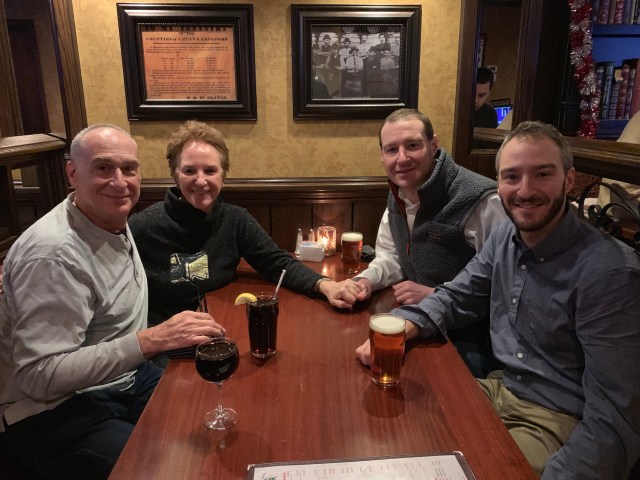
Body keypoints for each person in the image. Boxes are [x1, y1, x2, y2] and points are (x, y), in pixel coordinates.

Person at [356, 121, 640, 478]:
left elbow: (615, 416)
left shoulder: (610, 273)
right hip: (500, 386)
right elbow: (458, 294)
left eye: (542, 174)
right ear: (499, 183)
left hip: (557, 413)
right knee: (401, 429)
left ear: (569, 180)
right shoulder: (507, 234)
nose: (525, 190)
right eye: (512, 177)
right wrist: (405, 325)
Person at [0, 124, 226, 479]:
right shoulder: (54, 255)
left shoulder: (112, 218)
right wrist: (152, 340)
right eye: (103, 168)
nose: (119, 182)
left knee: (214, 416)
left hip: (124, 379)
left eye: (129, 169)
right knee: (167, 471)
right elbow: (38, 376)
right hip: (50, 411)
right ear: (72, 172)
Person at [129, 121, 359, 329]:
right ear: (175, 175)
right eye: (189, 170)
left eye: (210, 170)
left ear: (223, 176)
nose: (200, 180)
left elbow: (276, 262)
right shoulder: (142, 226)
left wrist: (324, 285)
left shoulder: (235, 219)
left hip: (221, 328)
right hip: (164, 338)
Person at [339, 109, 506, 377]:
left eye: (412, 145)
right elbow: (392, 257)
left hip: (472, 335)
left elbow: (503, 283)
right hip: (418, 321)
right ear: (382, 155)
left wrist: (436, 294)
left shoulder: (481, 200)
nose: (401, 158)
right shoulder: (398, 193)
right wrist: (365, 281)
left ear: (433, 144)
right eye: (391, 149)